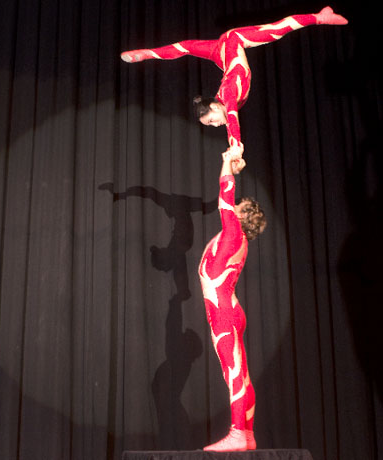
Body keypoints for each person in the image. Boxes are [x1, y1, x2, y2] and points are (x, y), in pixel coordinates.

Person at [121, 6, 348, 156]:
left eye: (211, 121)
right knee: (185, 47)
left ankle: (320, 17)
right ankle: (148, 54)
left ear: (214, 106)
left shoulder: (228, 96)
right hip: (220, 54)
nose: (214, 125)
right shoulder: (222, 98)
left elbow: (232, 119)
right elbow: (228, 117)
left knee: (279, 28)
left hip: (233, 41)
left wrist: (236, 146)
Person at [198, 150, 266, 451]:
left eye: (237, 208)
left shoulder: (232, 231)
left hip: (223, 313)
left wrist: (227, 161)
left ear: (241, 216)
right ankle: (248, 434)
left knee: (234, 373)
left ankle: (238, 433)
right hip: (229, 309)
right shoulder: (238, 241)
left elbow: (225, 191)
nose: (232, 207)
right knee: (241, 371)